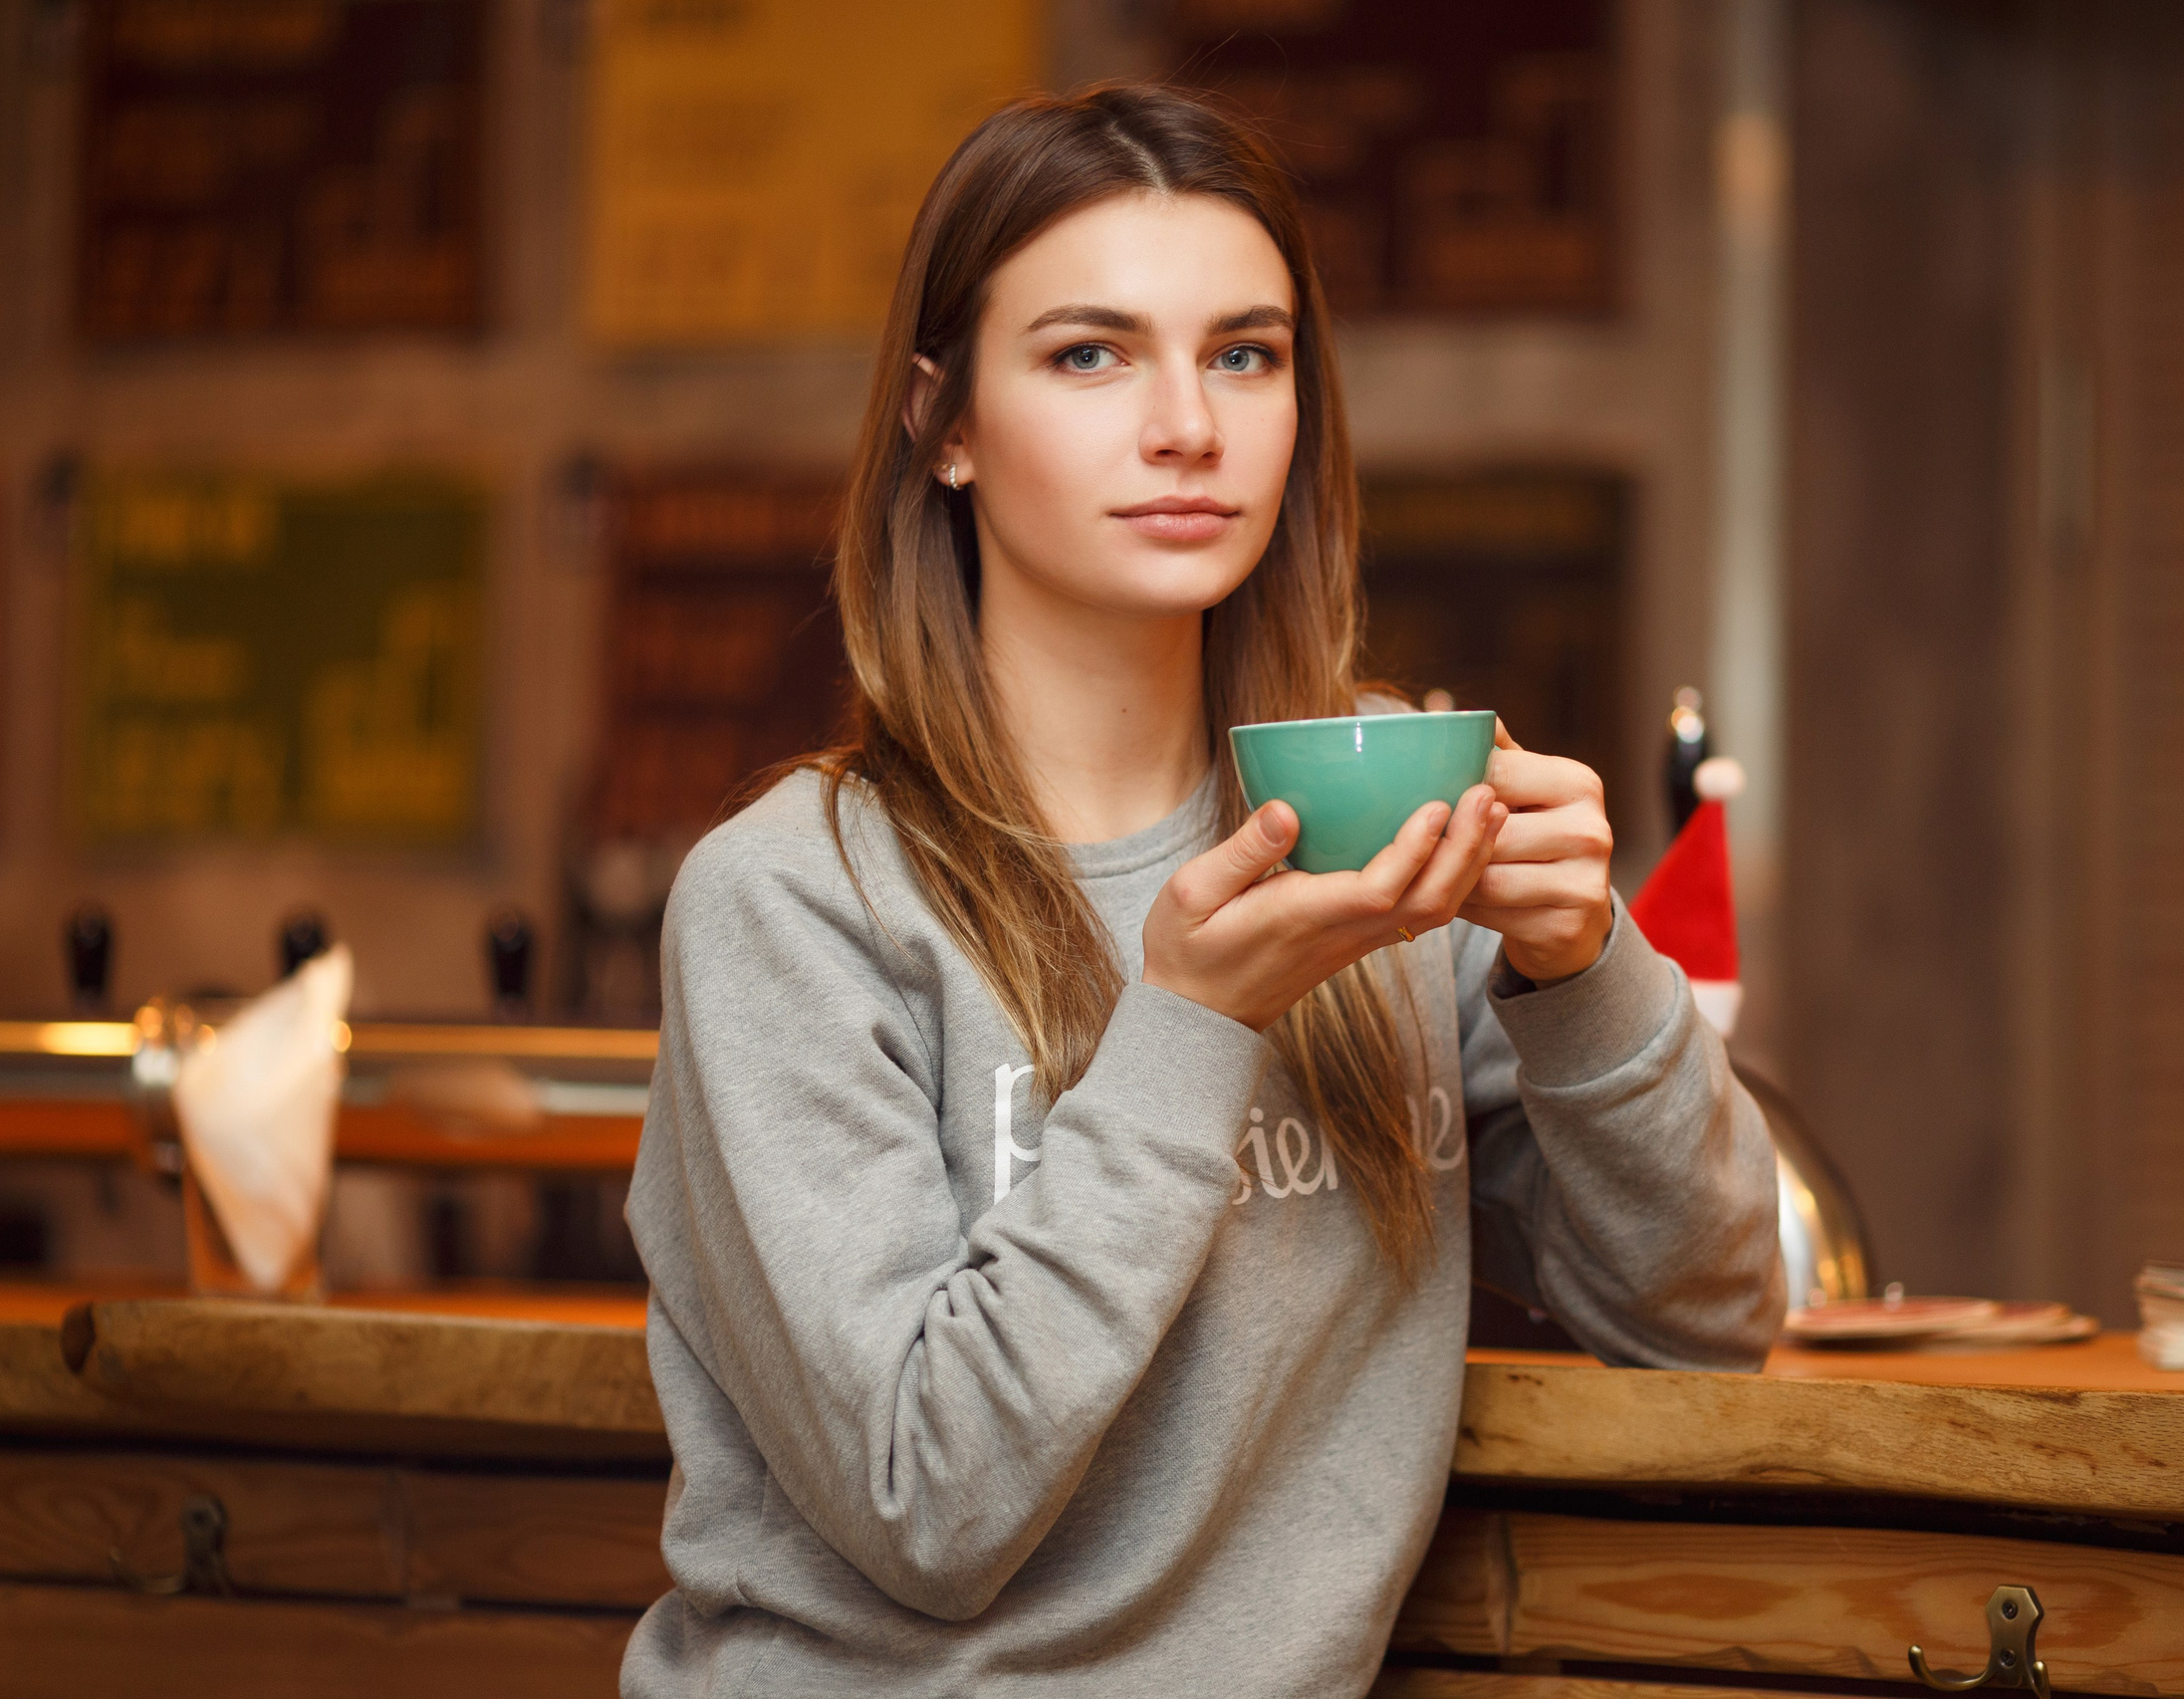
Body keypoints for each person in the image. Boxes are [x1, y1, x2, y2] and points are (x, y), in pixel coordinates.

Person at [621, 84, 1784, 1698]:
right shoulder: (794, 897)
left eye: (1245, 354)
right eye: (1089, 356)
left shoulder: (1384, 836)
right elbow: (927, 1503)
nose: (1189, 425)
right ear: (943, 423)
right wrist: (1189, 1023)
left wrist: (1583, 966)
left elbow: (1704, 1318)